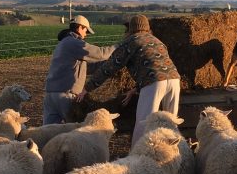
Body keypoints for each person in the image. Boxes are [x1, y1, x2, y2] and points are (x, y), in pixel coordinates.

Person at [77, 14, 181, 147]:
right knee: (171, 121)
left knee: (144, 123)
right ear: (147, 28)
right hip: (175, 80)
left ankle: (137, 157)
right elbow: (156, 66)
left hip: (153, 82)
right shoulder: (158, 41)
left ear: (131, 29)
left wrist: (87, 88)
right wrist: (135, 89)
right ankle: (175, 154)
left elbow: (109, 67)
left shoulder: (131, 41)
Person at [43, 15, 116, 125]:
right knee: (74, 130)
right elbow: (101, 53)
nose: (86, 34)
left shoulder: (63, 43)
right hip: (66, 96)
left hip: (50, 95)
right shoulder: (74, 43)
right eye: (86, 30)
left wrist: (109, 65)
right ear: (80, 28)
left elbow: (85, 68)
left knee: (48, 132)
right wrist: (120, 47)